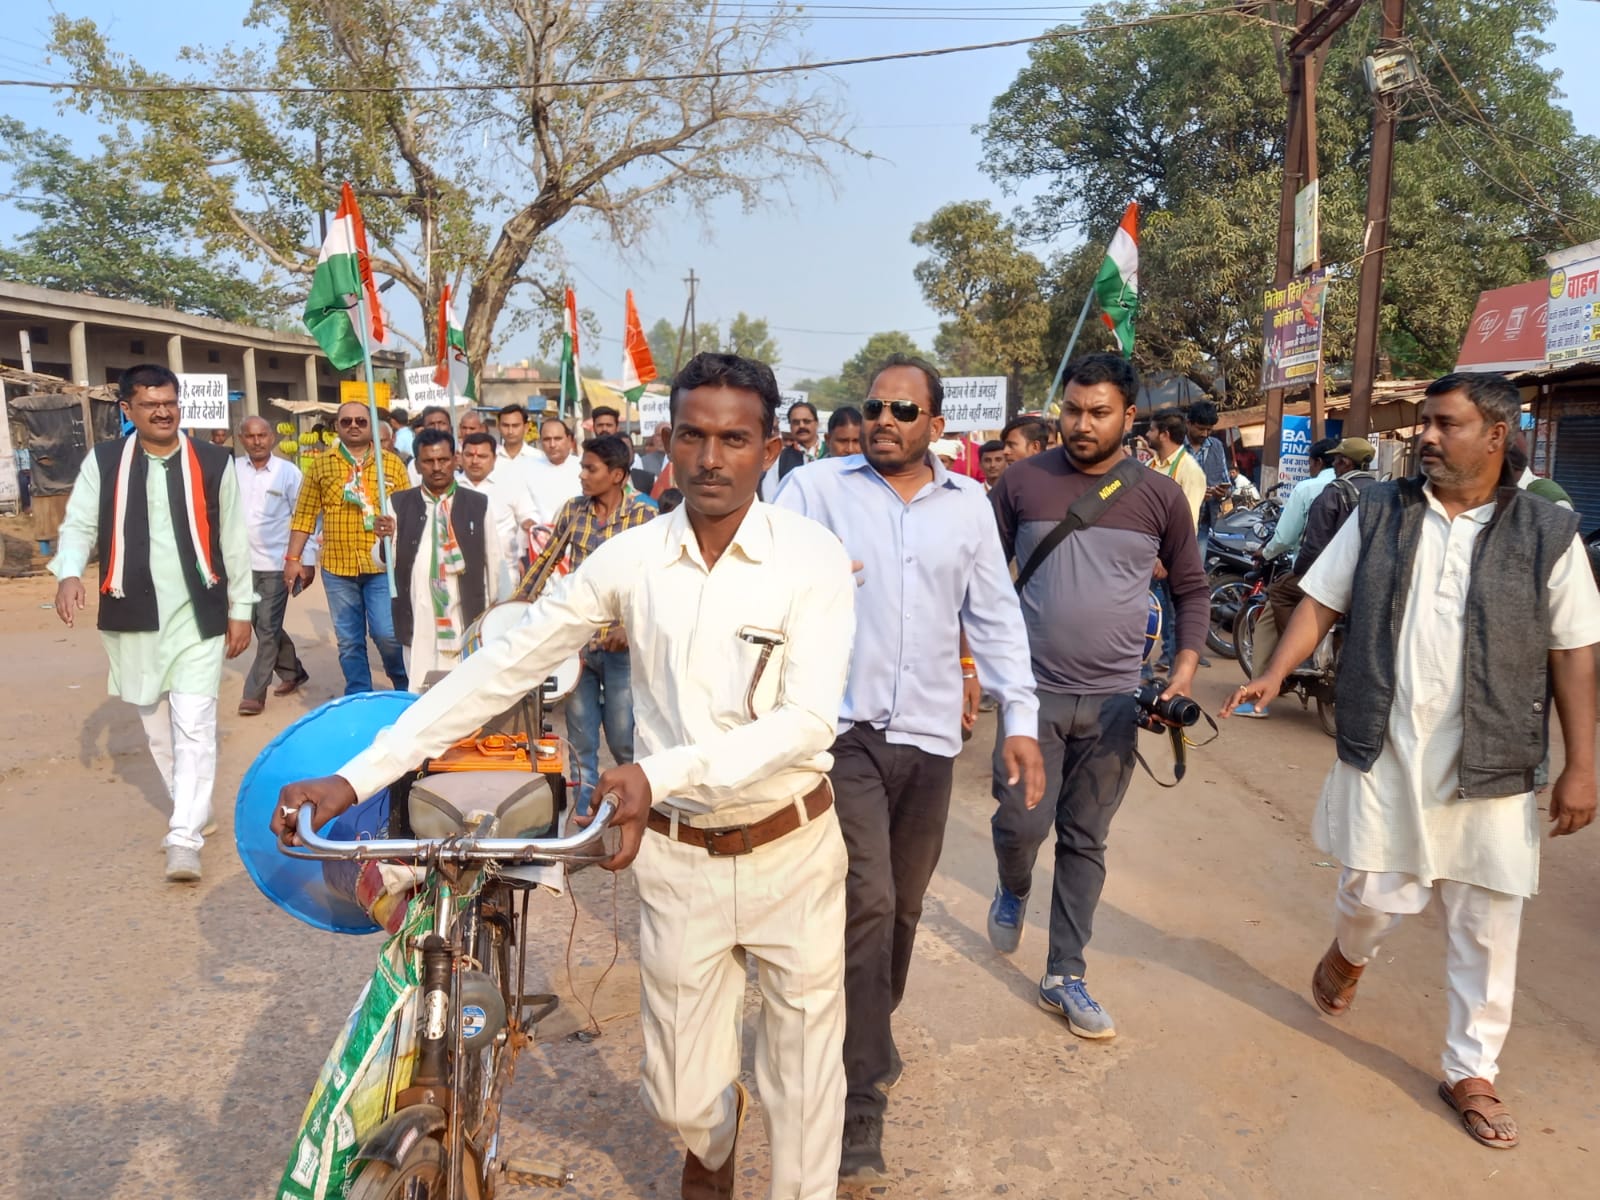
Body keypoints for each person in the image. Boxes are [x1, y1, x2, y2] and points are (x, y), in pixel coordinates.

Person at [275, 351, 857, 1200]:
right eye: (693, 436)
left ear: (770, 450)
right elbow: (505, 666)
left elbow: (808, 722)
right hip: (678, 857)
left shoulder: (813, 559)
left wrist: (656, 771)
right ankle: (713, 1146)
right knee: (683, 1096)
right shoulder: (632, 559)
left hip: (792, 846)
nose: (711, 458)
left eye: (735, 439)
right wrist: (359, 776)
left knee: (803, 1086)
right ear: (666, 443)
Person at [1225, 371, 1600, 1151]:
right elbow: (1324, 599)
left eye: (1444, 424)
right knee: (1374, 893)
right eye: (1424, 423)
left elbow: (1574, 651)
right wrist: (1273, 669)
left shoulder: (1547, 531)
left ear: (1494, 435)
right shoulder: (1381, 511)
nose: (1425, 436)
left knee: (1488, 921)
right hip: (1387, 747)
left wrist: (1582, 763)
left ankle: (1472, 1069)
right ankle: (1349, 949)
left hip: (1493, 756)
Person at [772, 353, 1044, 1183]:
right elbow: (763, 563)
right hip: (841, 732)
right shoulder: (816, 490)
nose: (884, 419)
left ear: (936, 424)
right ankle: (861, 1099)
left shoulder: (967, 511)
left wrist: (1019, 720)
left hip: (928, 739)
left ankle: (867, 1036)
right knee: (870, 896)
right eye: (874, 406)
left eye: (902, 408)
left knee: (904, 911)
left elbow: (995, 617)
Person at [987, 353, 1208, 1041]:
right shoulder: (1022, 481)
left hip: (1115, 702)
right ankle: (1014, 885)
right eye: (1073, 409)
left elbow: (1192, 589)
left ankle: (1065, 975)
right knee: (1022, 825)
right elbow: (987, 582)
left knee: (1086, 838)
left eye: (1098, 412)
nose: (1081, 424)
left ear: (1129, 416)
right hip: (1030, 696)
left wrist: (1184, 671)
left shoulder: (1159, 495)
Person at [50, 364, 253, 883]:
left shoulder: (213, 461)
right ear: (127, 410)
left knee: (195, 725)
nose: (163, 411)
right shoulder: (106, 461)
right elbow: (79, 523)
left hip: (198, 614)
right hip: (133, 613)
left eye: (169, 402)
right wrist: (69, 573)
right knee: (158, 732)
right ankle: (194, 808)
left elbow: (234, 541)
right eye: (149, 404)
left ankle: (183, 835)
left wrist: (241, 610)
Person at [515, 433, 656, 813]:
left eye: (590, 468)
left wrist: (631, 628)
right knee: (580, 739)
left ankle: (633, 811)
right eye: (582, 467)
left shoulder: (646, 515)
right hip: (576, 643)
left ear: (617, 475)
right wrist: (515, 604)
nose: (581, 475)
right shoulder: (573, 510)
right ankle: (585, 820)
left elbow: (654, 581)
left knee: (624, 736)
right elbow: (546, 561)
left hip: (623, 647)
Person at [286, 400, 411, 695]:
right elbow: (304, 514)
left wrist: (396, 528)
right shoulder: (321, 464)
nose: (353, 425)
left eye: (360, 421)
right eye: (346, 422)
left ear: (370, 426)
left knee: (386, 634)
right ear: (337, 427)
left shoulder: (391, 463)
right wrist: (293, 558)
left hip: (382, 566)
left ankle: (404, 687)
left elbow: (410, 513)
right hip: (338, 567)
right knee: (349, 640)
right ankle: (359, 697)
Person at [373, 429, 508, 678]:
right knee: (420, 690)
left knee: (462, 690)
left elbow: (494, 563)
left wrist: (492, 614)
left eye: (443, 460)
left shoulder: (478, 504)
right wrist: (387, 537)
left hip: (464, 617)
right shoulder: (398, 503)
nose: (437, 467)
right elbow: (382, 562)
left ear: (455, 460)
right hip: (418, 616)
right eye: (428, 461)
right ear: (417, 465)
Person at [1235, 436, 1339, 718]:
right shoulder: (1365, 486)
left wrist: (1265, 553)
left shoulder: (1308, 488)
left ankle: (1259, 695)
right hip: (1353, 576)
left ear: (1317, 462)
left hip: (1314, 573)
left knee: (1275, 598)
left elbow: (1285, 537)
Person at [234, 416, 312, 716]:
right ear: (241, 439)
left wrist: (304, 560)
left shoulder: (288, 473)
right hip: (241, 564)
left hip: (277, 563)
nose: (257, 441)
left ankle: (254, 692)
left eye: (263, 435)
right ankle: (293, 672)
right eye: (251, 436)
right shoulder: (233, 471)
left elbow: (306, 518)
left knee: (266, 626)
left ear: (272, 438)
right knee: (259, 622)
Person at [1145, 408, 1206, 676]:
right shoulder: (1150, 466)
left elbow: (1189, 520)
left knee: (1175, 612)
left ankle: (1174, 670)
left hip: (1172, 553)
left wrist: (1167, 556)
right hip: (1147, 553)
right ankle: (1143, 668)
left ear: (1164, 434)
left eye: (1151, 429)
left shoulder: (1191, 471)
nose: (1147, 434)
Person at [458, 430, 535, 566]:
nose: (475, 461)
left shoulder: (510, 485)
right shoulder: (450, 487)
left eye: (482, 456)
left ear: (494, 459)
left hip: (504, 569)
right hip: (460, 569)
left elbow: (529, 517)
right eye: (469, 455)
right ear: (461, 457)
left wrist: (529, 524)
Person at [1185, 399, 1231, 552]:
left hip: (1204, 523)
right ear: (1188, 423)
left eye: (1209, 430)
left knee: (1197, 571)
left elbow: (1226, 483)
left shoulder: (1216, 446)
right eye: (1200, 429)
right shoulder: (1176, 446)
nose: (1205, 434)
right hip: (1177, 522)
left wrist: (1222, 493)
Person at [526, 416, 585, 526]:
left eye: (558, 439)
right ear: (540, 442)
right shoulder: (529, 469)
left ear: (569, 440)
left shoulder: (583, 467)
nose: (552, 445)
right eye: (547, 439)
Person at [759, 400, 819, 498]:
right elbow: (771, 496)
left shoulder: (830, 453)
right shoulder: (780, 458)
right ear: (790, 426)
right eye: (796, 422)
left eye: (806, 421)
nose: (801, 426)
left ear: (816, 423)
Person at [405, 406, 455, 486]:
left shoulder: (468, 454)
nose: (437, 428)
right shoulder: (414, 464)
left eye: (441, 423)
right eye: (431, 424)